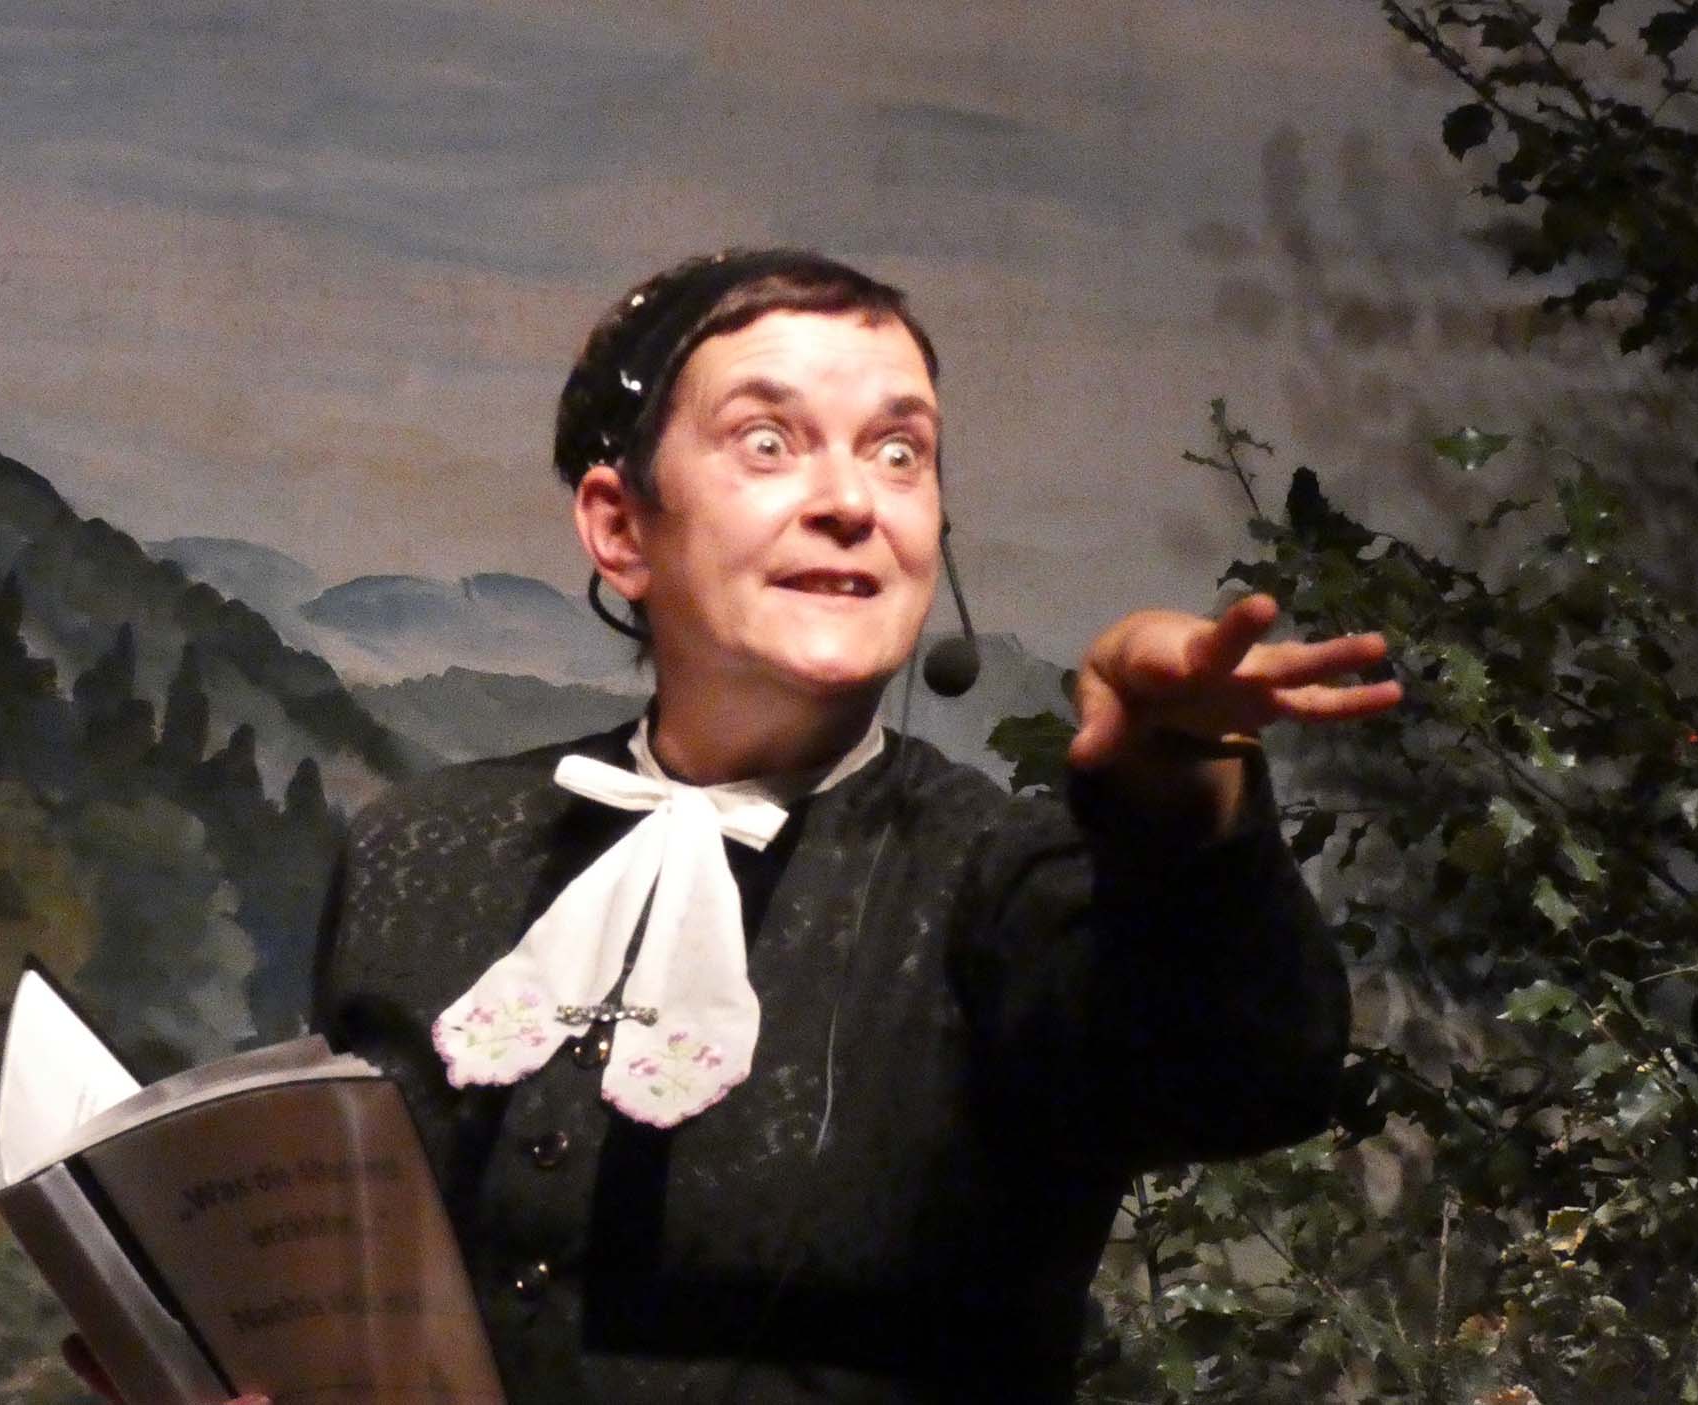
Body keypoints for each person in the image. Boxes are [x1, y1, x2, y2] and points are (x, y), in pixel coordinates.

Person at [75, 248, 1399, 1402]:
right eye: (770, 441)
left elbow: (1249, 1072)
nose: (852, 500)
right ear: (620, 527)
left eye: (900, 452)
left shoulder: (1004, 881)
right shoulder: (422, 848)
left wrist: (1185, 785)